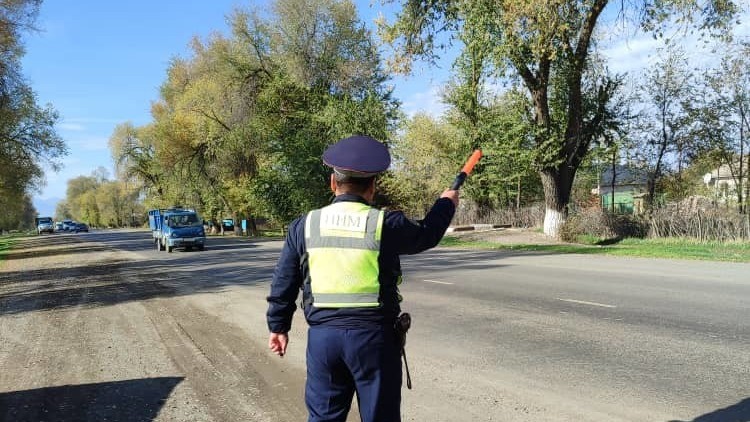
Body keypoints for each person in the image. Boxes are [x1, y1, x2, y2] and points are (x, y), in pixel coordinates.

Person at [266, 134, 458, 422]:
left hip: (324, 342)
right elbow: (427, 234)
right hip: (374, 341)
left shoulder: (304, 225)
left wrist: (278, 326)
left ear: (333, 183)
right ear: (372, 187)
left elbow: (284, 279)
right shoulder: (385, 224)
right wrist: (446, 203)